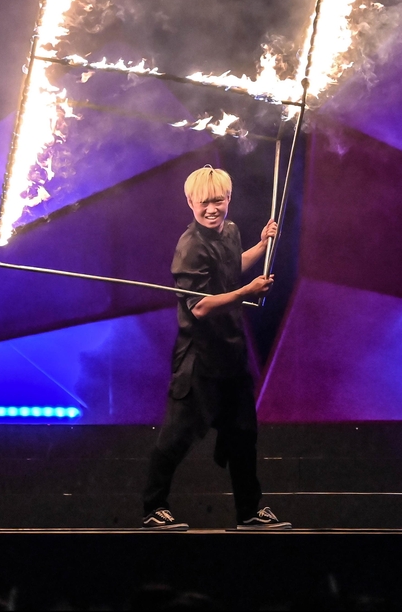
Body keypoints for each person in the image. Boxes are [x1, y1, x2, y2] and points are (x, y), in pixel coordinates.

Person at [142, 165, 291, 530]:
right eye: (204, 202)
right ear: (190, 202)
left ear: (229, 199)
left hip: (231, 354)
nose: (212, 209)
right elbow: (202, 305)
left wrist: (261, 245)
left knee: (243, 435)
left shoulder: (232, 231)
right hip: (199, 359)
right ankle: (153, 507)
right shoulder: (189, 247)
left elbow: (229, 268)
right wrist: (247, 292)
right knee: (177, 436)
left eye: (219, 201)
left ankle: (249, 512)